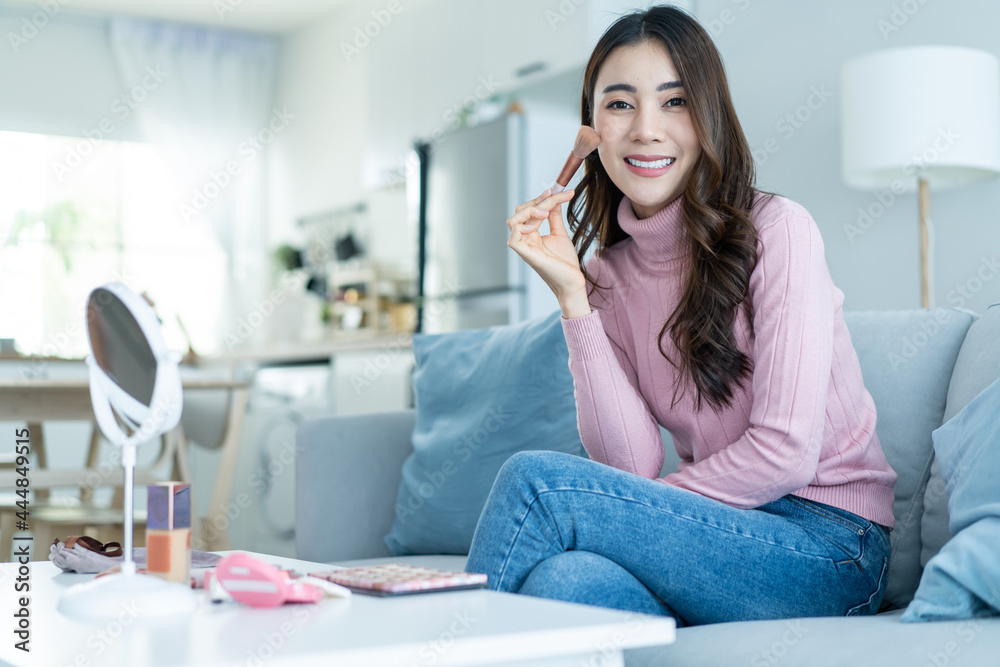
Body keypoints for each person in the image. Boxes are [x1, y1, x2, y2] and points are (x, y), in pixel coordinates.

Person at [463, 5, 898, 627]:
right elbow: (630, 467)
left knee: (539, 484)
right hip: (715, 538)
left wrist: (615, 509)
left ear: (708, 118)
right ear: (592, 128)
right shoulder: (606, 278)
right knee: (566, 580)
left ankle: (425, 640)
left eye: (673, 102)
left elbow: (785, 452)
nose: (645, 129)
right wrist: (574, 301)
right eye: (619, 104)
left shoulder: (779, 230)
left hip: (832, 549)